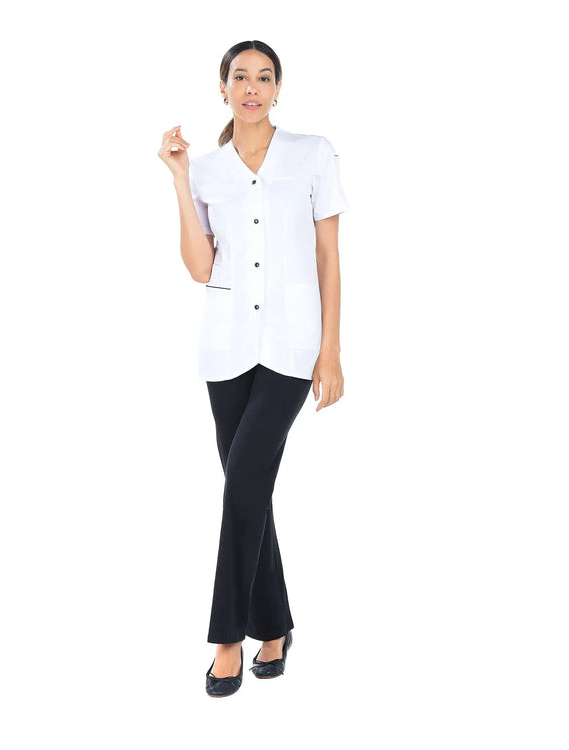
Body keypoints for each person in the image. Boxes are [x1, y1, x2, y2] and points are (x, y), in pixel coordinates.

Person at [157, 40, 349, 698]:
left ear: (277, 89)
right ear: (223, 88)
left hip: (293, 348)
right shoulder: (207, 170)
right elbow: (199, 267)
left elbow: (328, 256)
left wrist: (331, 350)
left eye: (264, 78)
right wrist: (180, 179)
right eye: (240, 77)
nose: (252, 88)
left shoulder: (313, 154)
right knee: (251, 491)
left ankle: (226, 639)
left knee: (241, 487)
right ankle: (275, 627)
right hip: (227, 347)